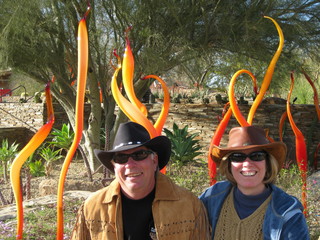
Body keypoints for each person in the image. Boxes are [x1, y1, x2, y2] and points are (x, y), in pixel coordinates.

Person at [71, 121, 210, 240]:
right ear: (114, 166)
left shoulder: (189, 206)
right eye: (121, 158)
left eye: (139, 154)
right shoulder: (92, 208)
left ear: (154, 161)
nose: (130, 164)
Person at [200, 125, 310, 240]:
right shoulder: (211, 198)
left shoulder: (287, 212)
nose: (247, 164)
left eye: (257, 156)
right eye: (238, 157)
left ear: (268, 163)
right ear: (229, 164)